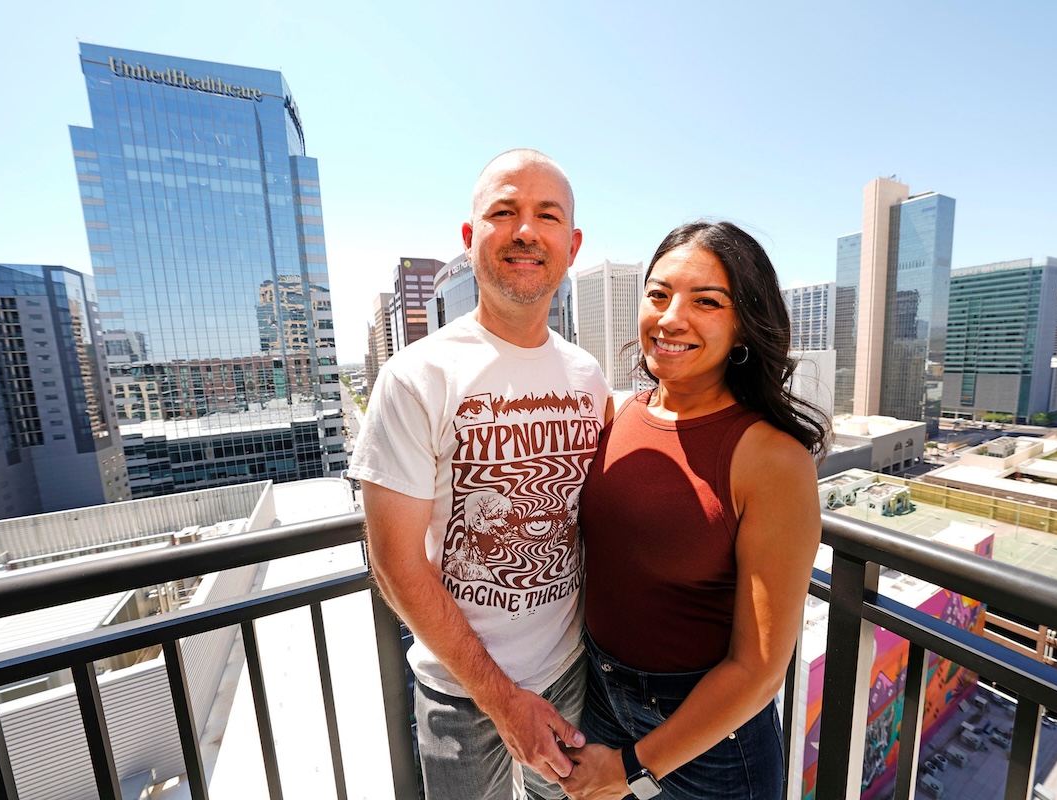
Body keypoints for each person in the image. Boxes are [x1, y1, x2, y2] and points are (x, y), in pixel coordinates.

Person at [349, 149, 611, 800]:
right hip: (459, 692)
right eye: (504, 212)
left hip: (572, 674)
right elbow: (394, 564)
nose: (526, 231)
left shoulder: (587, 375)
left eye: (546, 216)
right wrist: (503, 702)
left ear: (571, 246)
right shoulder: (416, 377)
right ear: (471, 241)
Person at [559, 220, 828, 800]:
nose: (670, 318)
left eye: (706, 301)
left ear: (743, 327)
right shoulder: (616, 413)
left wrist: (633, 767)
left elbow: (758, 669)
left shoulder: (772, 459)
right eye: (658, 295)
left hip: (712, 739)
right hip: (600, 694)